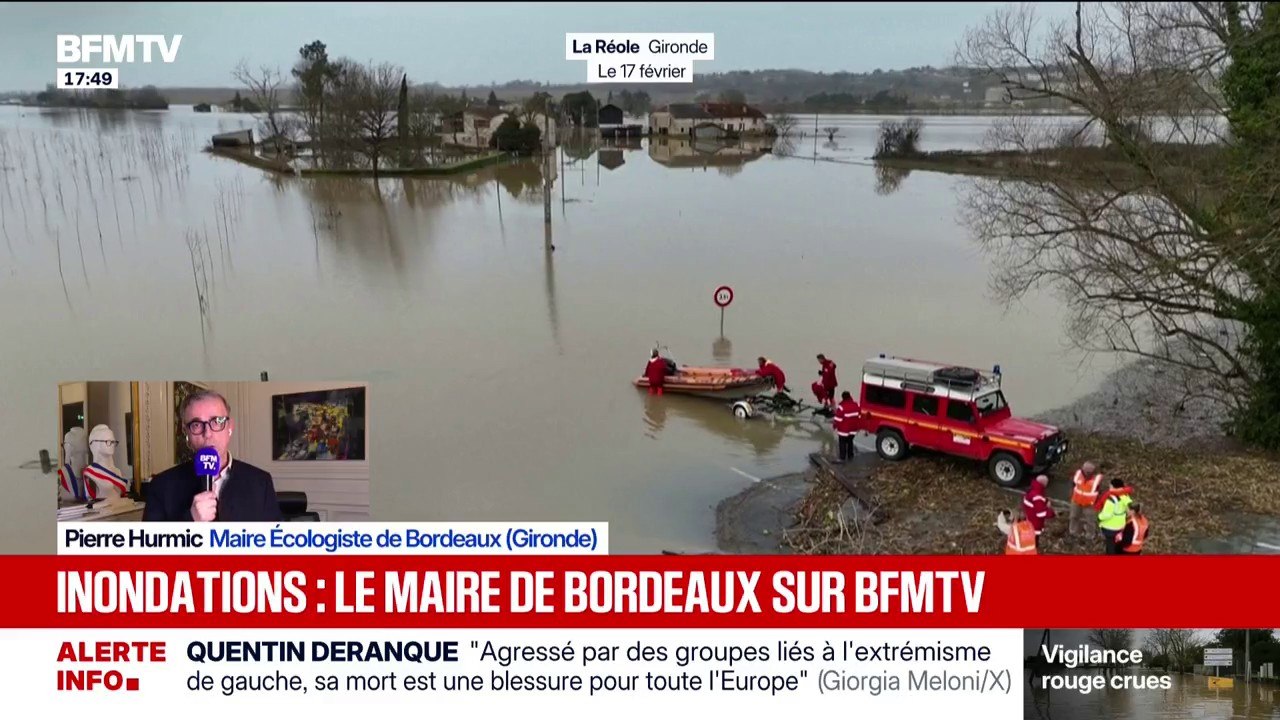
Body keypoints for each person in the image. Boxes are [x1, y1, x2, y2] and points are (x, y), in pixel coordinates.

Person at [143, 389, 283, 522]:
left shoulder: (260, 482)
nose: (208, 434)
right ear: (186, 432)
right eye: (197, 424)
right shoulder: (161, 486)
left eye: (216, 422)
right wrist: (191, 520)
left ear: (230, 427)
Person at [1096, 478, 1134, 555]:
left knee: (1110, 544)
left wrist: (1099, 517)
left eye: (1110, 485)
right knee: (1117, 542)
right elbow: (1129, 510)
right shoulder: (1125, 496)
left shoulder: (1111, 500)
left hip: (1110, 527)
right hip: (1121, 525)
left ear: (1113, 486)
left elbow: (1106, 515)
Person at [1068, 461, 1103, 537]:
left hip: (1090, 504)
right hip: (1076, 501)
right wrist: (1071, 495)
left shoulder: (1097, 479)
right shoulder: (1078, 474)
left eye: (1089, 472)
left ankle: (1090, 535)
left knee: (1090, 520)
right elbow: (1073, 485)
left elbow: (1100, 492)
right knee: (1073, 517)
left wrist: (1097, 503)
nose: (1087, 473)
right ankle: (1073, 532)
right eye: (1086, 471)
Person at [832, 391, 861, 463]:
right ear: (850, 396)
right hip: (854, 429)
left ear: (843, 398)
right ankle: (850, 456)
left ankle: (842, 458)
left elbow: (838, 419)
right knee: (850, 441)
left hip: (844, 430)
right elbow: (859, 416)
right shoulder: (857, 404)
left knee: (842, 443)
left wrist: (834, 426)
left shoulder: (841, 407)